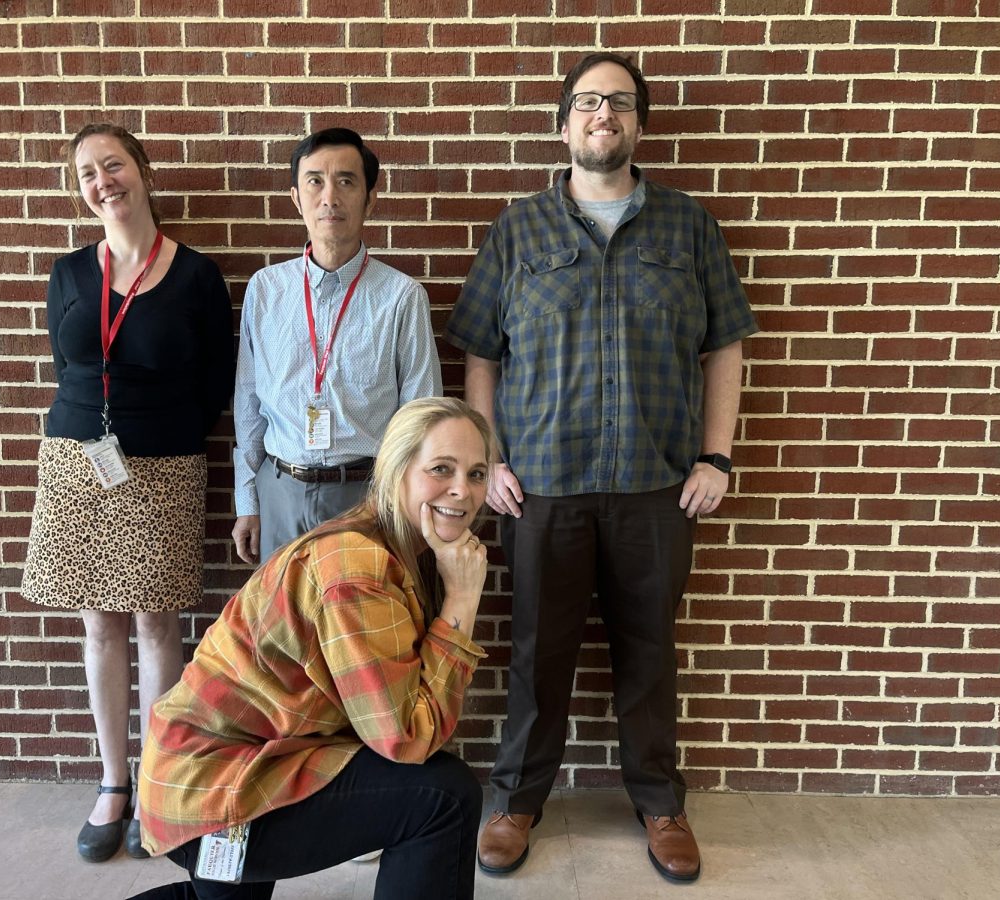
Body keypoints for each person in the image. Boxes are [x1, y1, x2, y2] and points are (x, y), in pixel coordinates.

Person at [445, 52, 759, 883]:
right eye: (587, 102)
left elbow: (725, 345)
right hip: (542, 489)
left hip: (657, 487)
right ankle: (515, 801)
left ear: (639, 124)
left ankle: (660, 805)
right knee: (536, 654)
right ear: (564, 125)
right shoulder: (519, 229)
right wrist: (489, 460)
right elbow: (481, 353)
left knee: (650, 656)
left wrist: (717, 456)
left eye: (618, 102)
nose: (602, 115)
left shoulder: (689, 227)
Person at [129, 397, 492, 900]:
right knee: (443, 797)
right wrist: (462, 601)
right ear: (397, 469)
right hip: (213, 787)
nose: (462, 490)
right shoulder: (359, 568)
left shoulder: (403, 547)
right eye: (441, 469)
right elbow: (406, 737)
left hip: (243, 762)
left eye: (477, 474)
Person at [21, 123, 235, 863]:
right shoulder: (68, 273)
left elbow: (216, 380)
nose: (102, 181)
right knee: (100, 627)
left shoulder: (197, 275)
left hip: (165, 463)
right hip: (78, 462)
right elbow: (66, 366)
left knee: (156, 626)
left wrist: (162, 429)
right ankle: (113, 782)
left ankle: (156, 783)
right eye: (87, 173)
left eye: (113, 164)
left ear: (142, 170)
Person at [231, 127, 442, 569]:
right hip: (280, 491)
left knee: (363, 614)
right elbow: (248, 405)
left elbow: (421, 417)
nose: (330, 197)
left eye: (346, 181)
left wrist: (408, 508)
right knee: (283, 614)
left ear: (370, 199)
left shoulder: (402, 297)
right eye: (315, 181)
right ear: (296, 197)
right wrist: (247, 501)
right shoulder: (265, 290)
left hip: (368, 496)